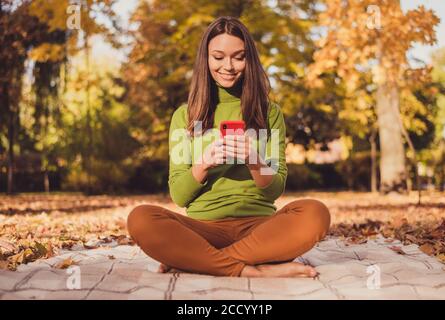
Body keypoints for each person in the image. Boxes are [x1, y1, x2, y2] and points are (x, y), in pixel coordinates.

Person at [127, 16, 330, 278]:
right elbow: (179, 195)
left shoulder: (269, 114)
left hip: (260, 230)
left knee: (316, 213)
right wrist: (204, 163)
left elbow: (275, 191)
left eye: (238, 57)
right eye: (218, 57)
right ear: (206, 59)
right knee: (140, 218)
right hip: (201, 230)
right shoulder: (184, 116)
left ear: (250, 60)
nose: (228, 66)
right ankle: (255, 271)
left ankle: (199, 262)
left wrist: (253, 159)